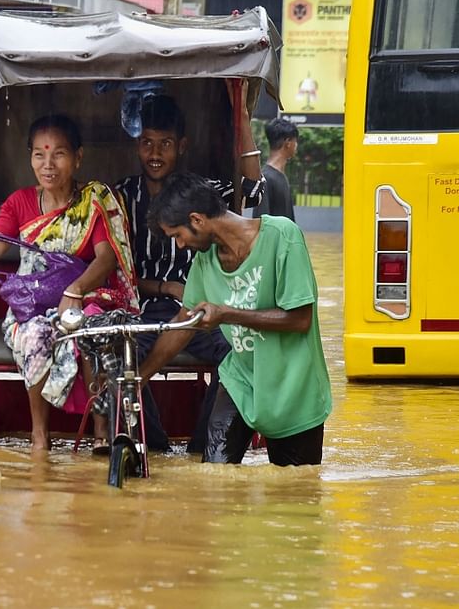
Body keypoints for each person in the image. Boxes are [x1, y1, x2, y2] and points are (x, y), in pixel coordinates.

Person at [0, 115, 139, 452]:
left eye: (59, 154)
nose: (48, 164)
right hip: (30, 309)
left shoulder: (93, 200)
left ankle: (100, 431)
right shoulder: (20, 201)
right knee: (36, 334)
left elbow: (105, 258)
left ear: (78, 157)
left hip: (82, 299)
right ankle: (40, 435)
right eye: (39, 154)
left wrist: (75, 292)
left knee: (92, 329)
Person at [139, 172, 331, 466]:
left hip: (292, 387)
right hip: (239, 381)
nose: (179, 246)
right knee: (215, 478)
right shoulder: (206, 262)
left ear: (198, 220)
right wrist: (140, 378)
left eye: (178, 235)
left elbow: (299, 319)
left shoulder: (282, 236)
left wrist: (227, 314)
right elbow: (184, 322)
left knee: (294, 493)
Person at [113, 93, 265, 453]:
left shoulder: (205, 194)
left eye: (164, 144)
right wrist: (168, 287)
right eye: (147, 143)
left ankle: (203, 450)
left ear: (181, 146)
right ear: (137, 146)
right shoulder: (120, 196)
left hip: (205, 313)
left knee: (238, 355)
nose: (154, 153)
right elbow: (117, 272)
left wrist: (240, 112)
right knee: (119, 358)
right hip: (144, 312)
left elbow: (255, 189)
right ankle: (154, 449)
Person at [253, 118, 298, 222]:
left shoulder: (280, 176)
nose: (296, 146)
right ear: (288, 143)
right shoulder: (266, 177)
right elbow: (261, 221)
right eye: (295, 142)